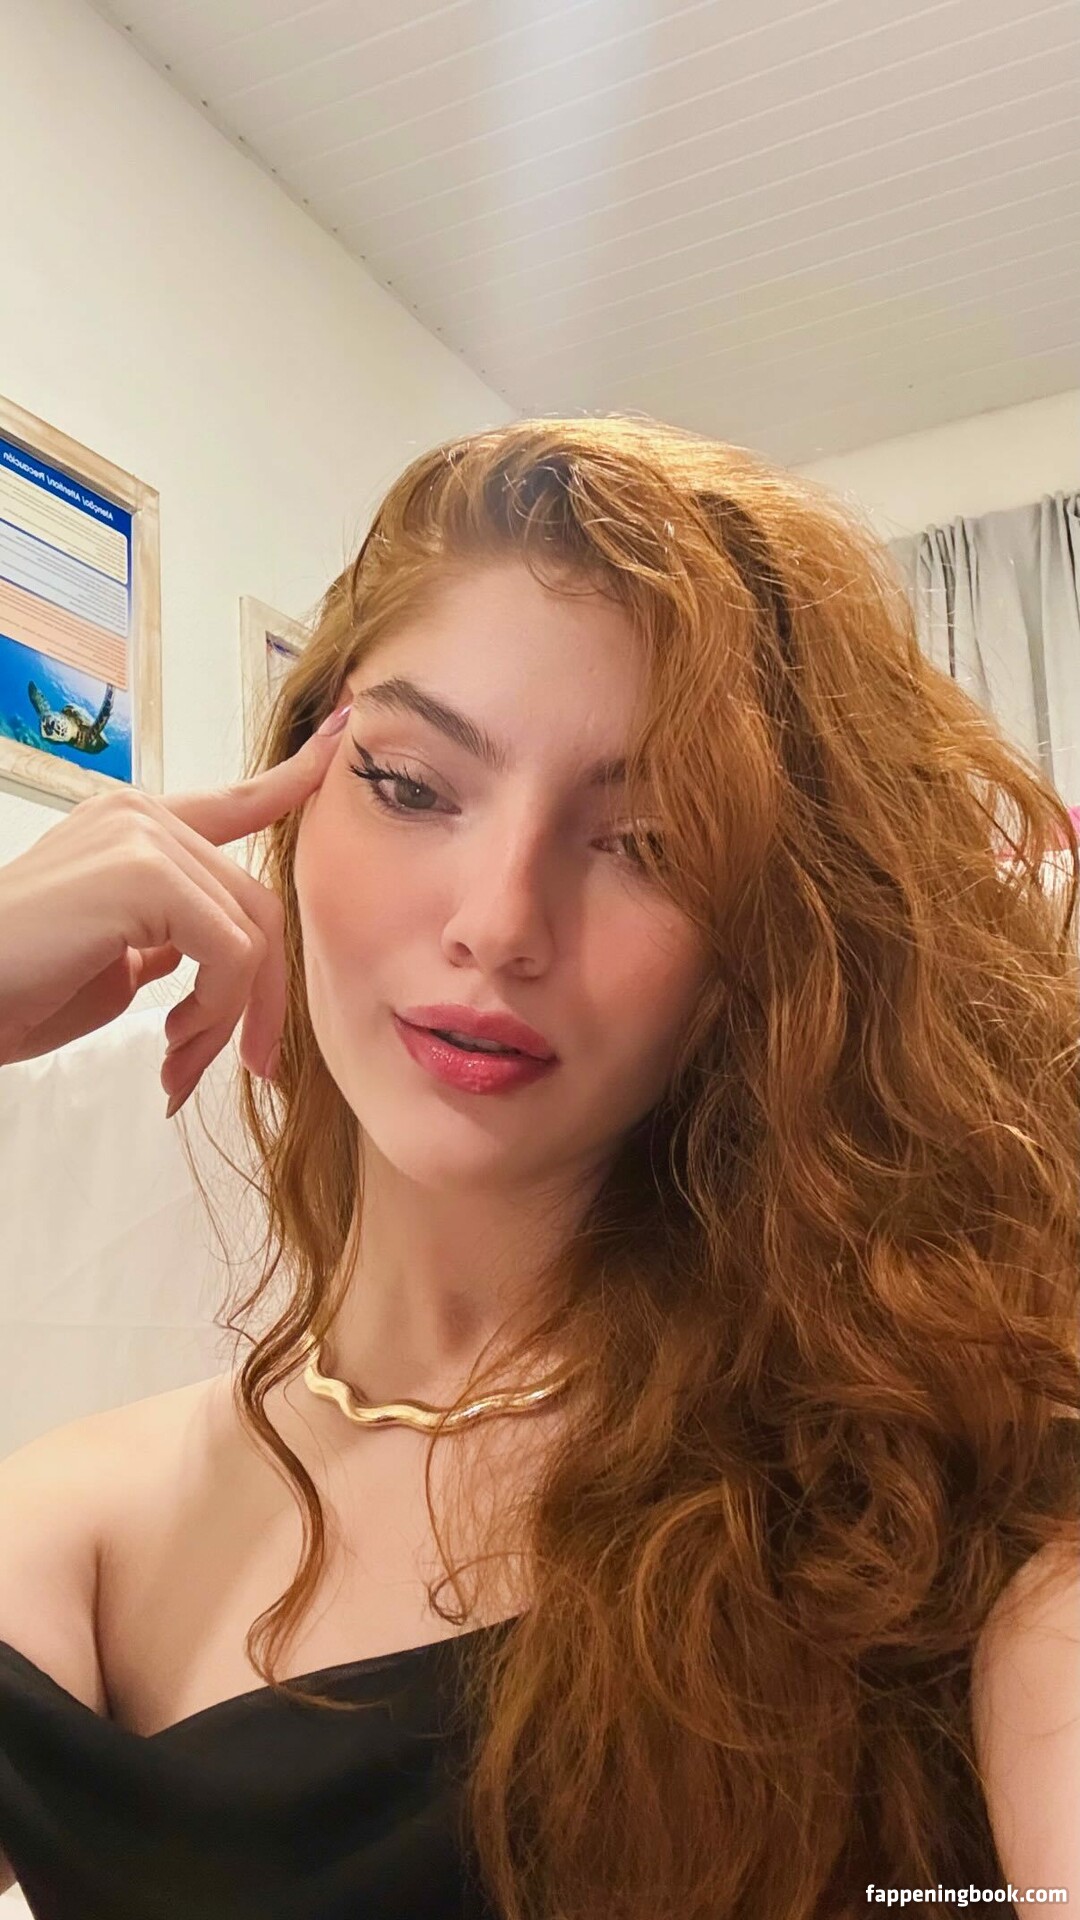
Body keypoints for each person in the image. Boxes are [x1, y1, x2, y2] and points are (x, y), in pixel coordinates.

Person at [0, 415, 1077, 1920]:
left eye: (650, 842)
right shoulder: (77, 1534)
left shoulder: (948, 1484)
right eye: (411, 785)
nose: (501, 922)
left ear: (768, 943)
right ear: (288, 813)